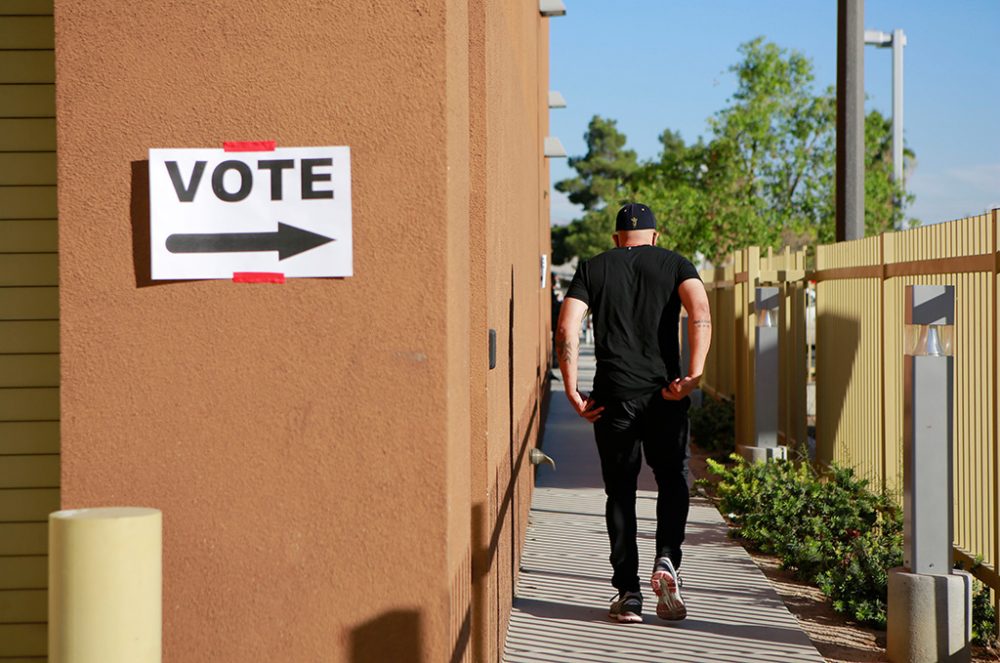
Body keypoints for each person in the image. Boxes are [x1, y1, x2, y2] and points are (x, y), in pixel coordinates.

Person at [555, 202, 711, 624]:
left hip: (613, 397)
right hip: (666, 395)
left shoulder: (593, 267)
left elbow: (568, 326)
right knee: (672, 478)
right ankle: (667, 559)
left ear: (615, 239)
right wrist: (693, 375)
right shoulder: (677, 264)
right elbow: (700, 312)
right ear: (656, 237)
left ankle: (628, 594)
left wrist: (570, 387)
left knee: (620, 491)